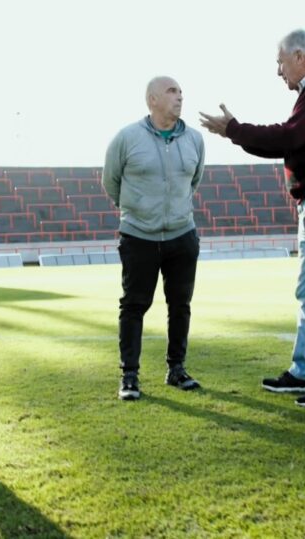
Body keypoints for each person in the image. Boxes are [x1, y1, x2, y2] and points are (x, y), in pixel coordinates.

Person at [199, 29, 305, 408]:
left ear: (301, 57)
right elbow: (289, 140)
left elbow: (289, 137)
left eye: (280, 62)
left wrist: (234, 130)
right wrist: (236, 133)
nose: (278, 71)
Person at [102, 76, 206, 400]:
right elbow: (111, 181)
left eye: (181, 92)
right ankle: (129, 377)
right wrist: (135, 211)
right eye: (172, 92)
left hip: (181, 235)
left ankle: (177, 369)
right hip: (139, 236)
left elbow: (194, 180)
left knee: (180, 305)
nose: (179, 97)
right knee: (134, 305)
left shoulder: (195, 140)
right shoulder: (127, 138)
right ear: (152, 100)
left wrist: (175, 213)